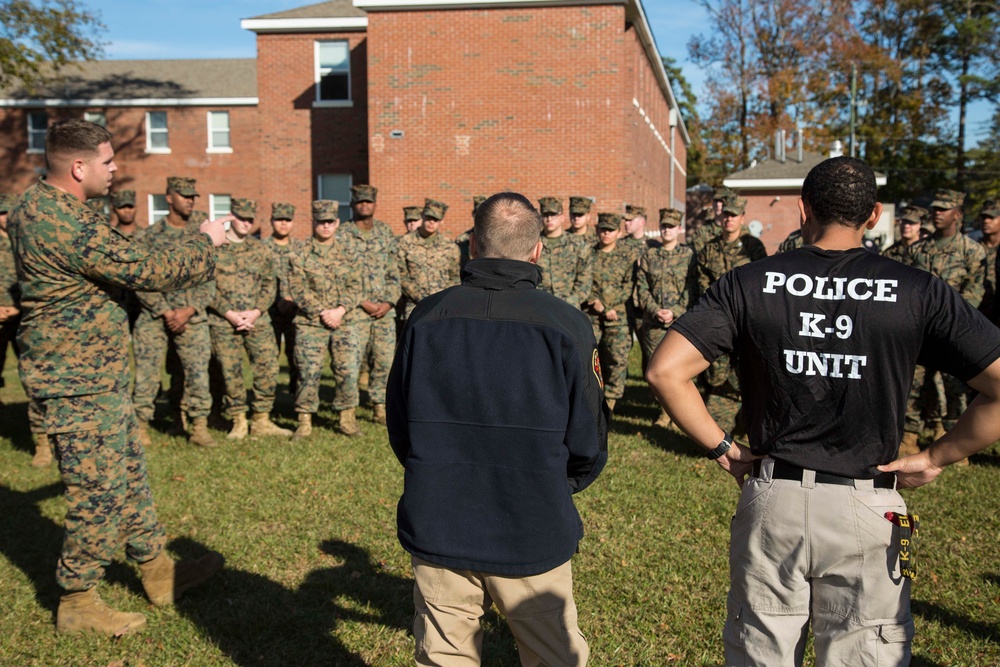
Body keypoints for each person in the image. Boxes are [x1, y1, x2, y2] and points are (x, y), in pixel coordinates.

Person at [646, 156, 1000, 666]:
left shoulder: (750, 282)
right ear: (874, 214)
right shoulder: (918, 290)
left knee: (760, 652)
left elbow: (664, 370)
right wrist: (938, 456)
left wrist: (724, 448)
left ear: (802, 208)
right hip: (867, 502)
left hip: (775, 499)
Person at [8, 119, 226, 635]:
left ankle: (157, 572)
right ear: (78, 167)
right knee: (98, 491)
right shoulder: (60, 221)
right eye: (107, 161)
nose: (115, 169)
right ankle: (78, 599)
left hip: (95, 375)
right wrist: (204, 242)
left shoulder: (45, 208)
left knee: (128, 476)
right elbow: (146, 269)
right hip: (75, 379)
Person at [387, 191, 608, 666]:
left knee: (448, 657)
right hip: (526, 521)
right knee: (553, 657)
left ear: (472, 246)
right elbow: (589, 442)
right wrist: (546, 485)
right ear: (536, 250)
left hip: (449, 516)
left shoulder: (425, 317)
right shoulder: (567, 325)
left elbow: (399, 430)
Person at [132, 176, 218, 448]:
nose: (191, 200)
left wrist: (190, 309)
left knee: (196, 373)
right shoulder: (149, 236)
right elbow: (139, 278)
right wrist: (166, 311)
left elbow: (211, 277)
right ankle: (141, 425)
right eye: (184, 195)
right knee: (146, 373)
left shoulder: (202, 235)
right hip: (156, 315)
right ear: (169, 198)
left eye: (193, 196)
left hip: (192, 314)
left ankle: (199, 427)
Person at [207, 197, 291, 440]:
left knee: (268, 366)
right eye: (241, 218)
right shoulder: (216, 249)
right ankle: (238, 420)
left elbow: (269, 284)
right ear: (231, 218)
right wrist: (230, 314)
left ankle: (261, 419)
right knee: (230, 371)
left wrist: (256, 311)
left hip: (257, 320)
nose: (246, 223)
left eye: (250, 219)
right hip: (224, 322)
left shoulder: (260, 249)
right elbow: (208, 286)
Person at [911, 190, 987, 439]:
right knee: (914, 382)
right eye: (935, 208)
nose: (937, 213)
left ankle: (954, 436)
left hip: (956, 331)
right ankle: (910, 435)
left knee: (955, 385)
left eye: (943, 209)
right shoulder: (919, 250)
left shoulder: (972, 251)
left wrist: (949, 325)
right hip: (920, 331)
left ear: (958, 215)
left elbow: (974, 293)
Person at [289, 200, 363, 438]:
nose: (325, 226)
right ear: (313, 223)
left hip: (344, 321)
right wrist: (323, 311)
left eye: (330, 222)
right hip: (311, 323)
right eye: (321, 222)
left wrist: (340, 310)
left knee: (348, 371)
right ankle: (305, 419)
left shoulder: (350, 252)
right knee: (308, 371)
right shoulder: (299, 253)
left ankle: (346, 418)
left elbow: (357, 286)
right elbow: (297, 288)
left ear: (337, 223)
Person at [696, 193, 767, 435]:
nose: (729, 219)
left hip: (747, 322)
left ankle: (746, 414)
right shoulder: (709, 248)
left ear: (742, 218)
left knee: (749, 372)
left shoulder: (753, 247)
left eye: (734, 215)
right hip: (718, 320)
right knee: (715, 373)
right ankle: (718, 404)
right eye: (726, 214)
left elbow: (762, 284)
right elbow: (702, 281)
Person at [336, 184, 400, 431]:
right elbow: (338, 274)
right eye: (360, 202)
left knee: (384, 363)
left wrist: (388, 302)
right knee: (348, 366)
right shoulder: (342, 234)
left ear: (375, 204)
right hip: (353, 312)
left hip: (384, 313)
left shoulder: (385, 232)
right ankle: (347, 414)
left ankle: (379, 408)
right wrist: (362, 301)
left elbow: (394, 272)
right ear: (353, 204)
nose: (364, 205)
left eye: (368, 201)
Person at [0, 191, 50, 464]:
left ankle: (42, 441)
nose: (6, 218)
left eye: (9, 212)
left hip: (27, 317)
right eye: (2, 212)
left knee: (36, 379)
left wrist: (18, 308)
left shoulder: (29, 242)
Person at [636, 208, 696, 427]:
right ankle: (665, 412)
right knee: (655, 368)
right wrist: (655, 310)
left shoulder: (689, 256)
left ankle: (676, 414)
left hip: (681, 323)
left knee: (679, 369)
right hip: (654, 322)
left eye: (671, 226)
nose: (667, 230)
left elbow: (692, 289)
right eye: (664, 226)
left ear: (679, 229)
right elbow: (642, 287)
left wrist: (676, 311)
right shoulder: (649, 255)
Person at [585, 213, 635, 413]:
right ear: (596, 230)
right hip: (592, 314)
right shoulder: (588, 253)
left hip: (618, 315)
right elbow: (583, 280)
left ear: (619, 232)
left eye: (610, 230)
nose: (605, 233)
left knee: (616, 358)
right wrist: (596, 303)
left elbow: (629, 284)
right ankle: (592, 399)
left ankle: (611, 403)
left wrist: (609, 306)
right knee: (591, 357)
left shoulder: (627, 256)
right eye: (602, 229)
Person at [397, 197, 460, 321]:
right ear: (422, 216)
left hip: (442, 307)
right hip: (415, 306)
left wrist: (442, 298)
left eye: (436, 220)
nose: (431, 222)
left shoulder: (449, 247)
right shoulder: (405, 243)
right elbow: (400, 275)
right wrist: (421, 297)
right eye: (429, 218)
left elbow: (455, 277)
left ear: (441, 221)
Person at [263, 202, 301, 398]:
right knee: (269, 358)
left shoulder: (301, 248)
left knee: (297, 357)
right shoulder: (262, 248)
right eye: (279, 219)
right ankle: (268, 398)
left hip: (295, 312)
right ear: (271, 221)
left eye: (287, 220)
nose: (283, 224)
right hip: (269, 313)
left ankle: (295, 395)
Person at [537, 196, 593, 308]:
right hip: (539, 307)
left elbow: (584, 282)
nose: (549, 219)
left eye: (553, 215)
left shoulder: (578, 245)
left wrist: (568, 303)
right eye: (545, 215)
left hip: (569, 308)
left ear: (562, 217)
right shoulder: (532, 244)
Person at [977, 199, 999, 320]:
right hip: (978, 312)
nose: (986, 221)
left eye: (991, 217)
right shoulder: (973, 249)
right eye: (984, 217)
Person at [454, 194, 486, 268]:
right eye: (478, 213)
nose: (482, 216)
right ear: (473, 214)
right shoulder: (461, 240)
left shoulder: (497, 238)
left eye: (485, 213)